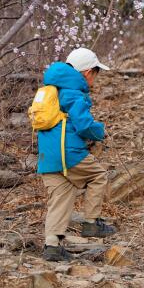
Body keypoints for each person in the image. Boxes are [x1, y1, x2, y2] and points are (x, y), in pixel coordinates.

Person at [37, 47, 117, 261]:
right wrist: (99, 131)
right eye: (96, 73)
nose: (95, 79)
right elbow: (83, 125)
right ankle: (91, 223)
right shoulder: (73, 91)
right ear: (88, 72)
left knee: (62, 194)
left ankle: (52, 246)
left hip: (47, 155)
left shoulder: (52, 88)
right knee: (98, 175)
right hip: (68, 153)